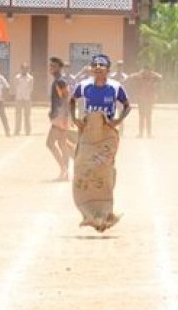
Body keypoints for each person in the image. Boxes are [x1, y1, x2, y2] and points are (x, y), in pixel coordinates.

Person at [69, 54, 130, 232]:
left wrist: (117, 121)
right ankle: (89, 213)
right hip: (88, 132)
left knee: (104, 170)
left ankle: (105, 213)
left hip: (107, 133)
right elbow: (72, 100)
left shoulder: (116, 87)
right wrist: (75, 119)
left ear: (108, 70)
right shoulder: (84, 85)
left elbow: (127, 105)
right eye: (94, 65)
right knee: (81, 167)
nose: (97, 68)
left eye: (101, 66)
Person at [46, 57, 73, 181]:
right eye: (51, 66)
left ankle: (64, 169)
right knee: (62, 144)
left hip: (60, 117)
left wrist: (64, 117)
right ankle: (65, 173)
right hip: (59, 116)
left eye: (54, 66)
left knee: (50, 143)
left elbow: (66, 99)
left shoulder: (60, 81)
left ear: (60, 68)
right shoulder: (57, 81)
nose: (51, 68)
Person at [127, 65, 163, 138]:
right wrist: (139, 73)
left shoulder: (152, 77)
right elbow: (130, 76)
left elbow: (160, 77)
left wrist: (152, 73)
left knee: (148, 116)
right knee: (141, 117)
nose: (146, 72)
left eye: (148, 71)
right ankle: (141, 133)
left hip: (149, 99)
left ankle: (149, 134)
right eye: (145, 71)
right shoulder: (139, 77)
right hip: (141, 99)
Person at [13, 62, 34, 136]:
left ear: (27, 69)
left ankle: (27, 130)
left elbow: (31, 88)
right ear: (21, 69)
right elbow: (15, 87)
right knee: (18, 115)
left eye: (26, 69)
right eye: (23, 68)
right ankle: (17, 130)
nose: (24, 70)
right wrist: (18, 95)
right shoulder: (17, 77)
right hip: (19, 98)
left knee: (27, 115)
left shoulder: (30, 78)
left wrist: (27, 94)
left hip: (27, 98)